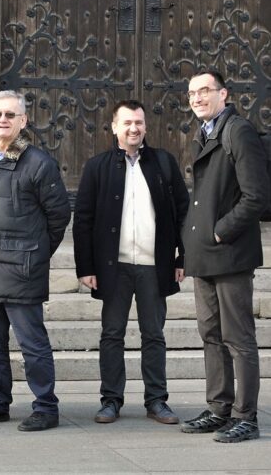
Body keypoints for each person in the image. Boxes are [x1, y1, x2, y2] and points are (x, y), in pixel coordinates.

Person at [73, 100, 190, 425]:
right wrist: (86, 267)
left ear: (145, 127)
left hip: (156, 266)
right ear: (114, 127)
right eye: (126, 123)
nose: (133, 128)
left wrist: (184, 256)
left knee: (154, 334)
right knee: (112, 334)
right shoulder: (98, 166)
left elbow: (183, 212)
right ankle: (111, 400)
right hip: (115, 268)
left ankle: (157, 401)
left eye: (138, 122)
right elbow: (83, 219)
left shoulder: (164, 163)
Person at [0, 90, 70, 431]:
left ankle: (45, 407)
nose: (3, 120)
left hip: (21, 271)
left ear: (24, 120)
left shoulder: (39, 163)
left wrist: (35, 253)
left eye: (10, 115)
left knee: (32, 344)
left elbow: (58, 217)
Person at [180, 71, 269, 443]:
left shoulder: (237, 130)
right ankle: (219, 408)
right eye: (192, 93)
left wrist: (220, 230)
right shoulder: (204, 132)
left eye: (204, 91)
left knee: (238, 337)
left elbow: (256, 195)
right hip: (204, 254)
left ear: (223, 94)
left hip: (230, 252)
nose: (197, 98)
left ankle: (245, 416)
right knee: (211, 334)